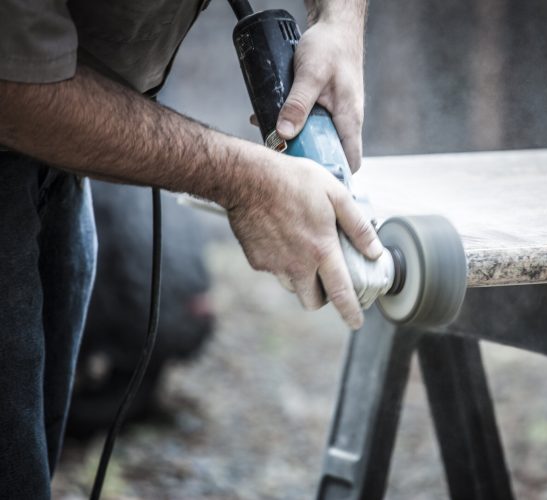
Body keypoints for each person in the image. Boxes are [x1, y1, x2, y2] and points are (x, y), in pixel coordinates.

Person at [0, 0, 379, 497]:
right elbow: (16, 91)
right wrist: (248, 182)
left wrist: (340, 22)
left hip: (54, 148)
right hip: (27, 109)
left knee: (31, 454)